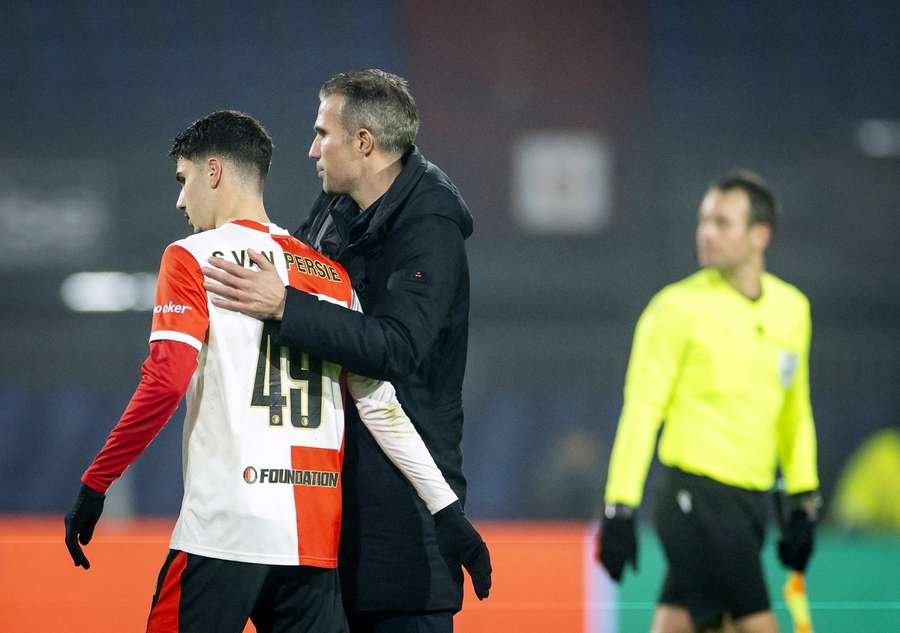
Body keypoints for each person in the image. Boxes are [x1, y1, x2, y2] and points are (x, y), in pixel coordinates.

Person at [63, 110, 486, 633]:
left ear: (213, 172)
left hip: (223, 533)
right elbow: (380, 405)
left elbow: (166, 380)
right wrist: (446, 507)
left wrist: (96, 482)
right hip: (310, 544)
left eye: (183, 179)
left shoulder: (193, 258)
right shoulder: (328, 275)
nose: (180, 201)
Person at [203, 69, 489, 633]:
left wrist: (286, 308)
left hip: (403, 513)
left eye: (322, 134)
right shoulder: (337, 210)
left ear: (363, 142)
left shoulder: (429, 225)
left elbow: (397, 348)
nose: (311, 149)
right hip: (329, 500)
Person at [597, 170, 821, 633]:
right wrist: (620, 507)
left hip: (751, 503)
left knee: (683, 622)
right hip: (693, 499)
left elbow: (795, 409)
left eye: (722, 222)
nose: (706, 232)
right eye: (703, 221)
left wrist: (803, 498)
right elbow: (641, 411)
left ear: (760, 235)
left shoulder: (792, 309)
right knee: (755, 624)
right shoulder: (674, 309)